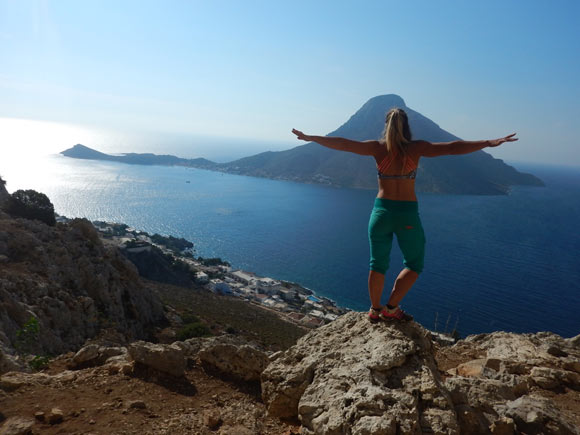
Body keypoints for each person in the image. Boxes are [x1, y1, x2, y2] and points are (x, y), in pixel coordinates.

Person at [292, 108, 518, 323]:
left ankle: (374, 310)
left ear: (386, 126)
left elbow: (344, 144)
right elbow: (453, 147)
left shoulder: (377, 148)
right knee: (414, 263)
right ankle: (391, 309)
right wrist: (488, 142)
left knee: (377, 264)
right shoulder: (416, 148)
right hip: (406, 215)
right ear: (407, 126)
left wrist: (311, 137)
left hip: (380, 212)